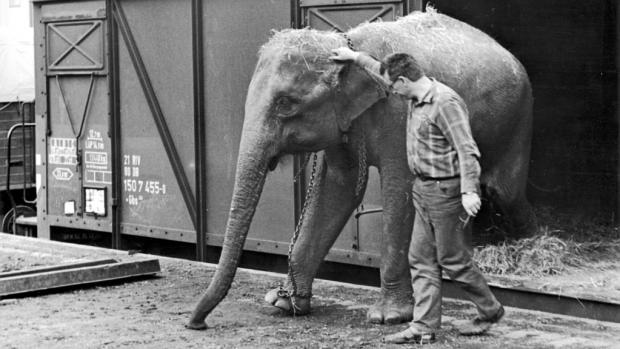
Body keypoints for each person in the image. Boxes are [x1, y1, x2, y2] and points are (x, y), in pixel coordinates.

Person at [330, 47, 504, 345]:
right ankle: (423, 328)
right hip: (422, 190)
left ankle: (490, 310)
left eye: (392, 86)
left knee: (453, 260)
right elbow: (382, 70)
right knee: (420, 259)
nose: (390, 91)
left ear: (403, 81)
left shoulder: (444, 103)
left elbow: (467, 150)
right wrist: (355, 57)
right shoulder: (414, 93)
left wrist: (469, 191)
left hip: (446, 192)